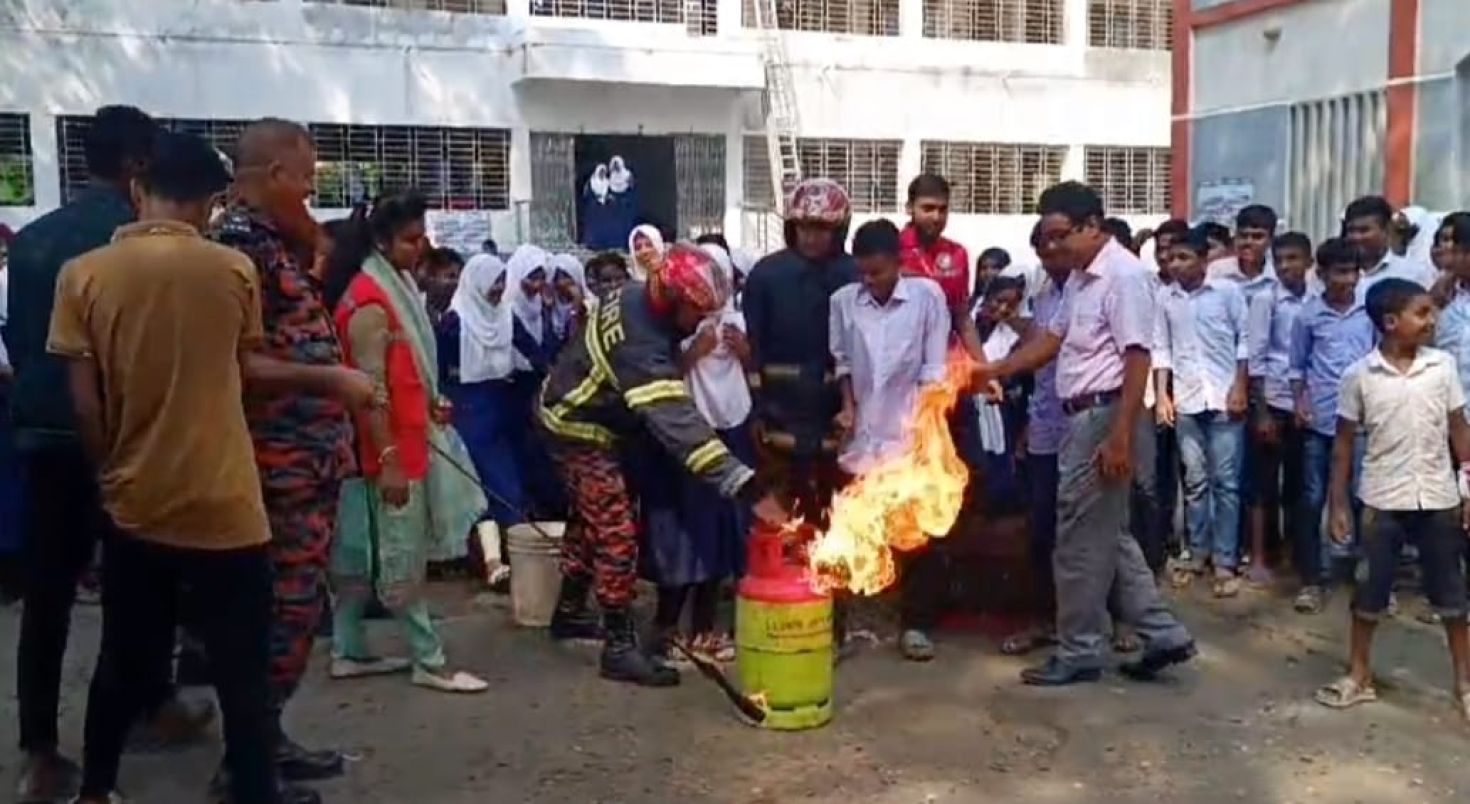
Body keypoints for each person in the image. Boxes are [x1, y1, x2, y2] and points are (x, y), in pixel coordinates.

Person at [6, 105, 214, 801]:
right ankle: (151, 704)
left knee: (49, 595)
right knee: (144, 586)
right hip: (124, 438)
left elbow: (22, 345)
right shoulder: (136, 245)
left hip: (42, 438)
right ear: (137, 167)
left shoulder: (33, 241)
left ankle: (39, 749)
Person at [975, 181, 1194, 686]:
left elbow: (1137, 356)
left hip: (1105, 414)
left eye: (1061, 236)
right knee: (1108, 536)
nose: (1053, 248)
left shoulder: (1124, 276)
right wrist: (994, 371)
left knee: (1075, 539)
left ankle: (1079, 649)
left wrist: (1119, 436)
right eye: (1046, 240)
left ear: (1092, 226)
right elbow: (1052, 341)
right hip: (1082, 416)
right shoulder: (1080, 279)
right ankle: (1163, 634)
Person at [539, 243, 786, 686]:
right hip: (577, 429)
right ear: (671, 301)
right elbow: (681, 427)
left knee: (587, 521)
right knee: (616, 531)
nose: (700, 324)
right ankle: (618, 649)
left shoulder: (637, 296)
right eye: (695, 313)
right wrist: (747, 488)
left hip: (588, 416)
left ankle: (570, 613)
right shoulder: (642, 343)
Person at [211, 118, 358, 784]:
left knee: (295, 612)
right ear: (273, 176)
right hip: (278, 464)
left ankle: (263, 743)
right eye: (304, 181)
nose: (309, 195)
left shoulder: (275, 245)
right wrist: (332, 380)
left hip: (307, 460)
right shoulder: (242, 248)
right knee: (282, 613)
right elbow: (237, 363)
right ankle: (245, 767)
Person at [328, 191, 489, 694]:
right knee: (401, 557)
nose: (420, 248)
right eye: (410, 239)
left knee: (358, 558)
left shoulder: (388, 286)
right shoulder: (370, 303)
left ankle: (347, 650)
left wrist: (430, 402)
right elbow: (369, 393)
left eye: (423, 237)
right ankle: (429, 659)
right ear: (381, 241)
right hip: (384, 452)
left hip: (392, 444)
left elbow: (401, 375)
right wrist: (391, 461)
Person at [1313, 278, 1470, 721]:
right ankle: (1359, 676)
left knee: (1452, 594)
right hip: (1382, 498)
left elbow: (1459, 430)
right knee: (1369, 590)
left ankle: (1464, 683)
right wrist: (1339, 503)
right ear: (1390, 322)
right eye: (1421, 313)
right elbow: (1343, 444)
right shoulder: (1359, 376)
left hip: (1437, 497)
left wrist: (1468, 487)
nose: (1431, 320)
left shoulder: (1442, 367)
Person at [827, 220, 950, 660]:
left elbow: (934, 373)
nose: (869, 281)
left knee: (915, 535)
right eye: (863, 272)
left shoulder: (927, 298)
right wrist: (847, 406)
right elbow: (842, 364)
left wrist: (924, 438)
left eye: (877, 272)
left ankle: (915, 625)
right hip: (860, 437)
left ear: (899, 263)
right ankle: (837, 629)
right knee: (846, 527)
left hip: (909, 431)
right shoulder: (842, 302)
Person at [646, 242, 756, 663]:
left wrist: (743, 351)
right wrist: (697, 350)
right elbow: (665, 374)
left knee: (726, 532)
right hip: (691, 437)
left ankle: (705, 630)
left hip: (733, 427)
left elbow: (751, 368)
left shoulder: (734, 320)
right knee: (689, 536)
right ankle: (669, 630)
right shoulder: (677, 325)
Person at [743, 179, 857, 525]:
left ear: (839, 229)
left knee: (840, 510)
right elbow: (753, 346)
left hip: (836, 412)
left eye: (822, 228)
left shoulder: (855, 274)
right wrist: (756, 411)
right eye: (805, 227)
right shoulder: (766, 274)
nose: (812, 237)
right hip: (780, 412)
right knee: (779, 514)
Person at [1154, 226, 1249, 597]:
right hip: (1189, 399)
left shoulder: (1227, 292)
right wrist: (1163, 396)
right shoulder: (1166, 298)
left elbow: (1244, 343)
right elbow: (1161, 348)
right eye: (1171, 258)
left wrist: (1240, 387)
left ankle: (1225, 560)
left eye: (1183, 257)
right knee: (1195, 481)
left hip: (1225, 398)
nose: (1175, 264)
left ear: (1203, 259)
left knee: (1226, 482)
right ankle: (1197, 552)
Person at [1289, 238, 1376, 614]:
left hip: (1361, 422)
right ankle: (1314, 579)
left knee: (1361, 496)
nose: (1347, 280)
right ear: (1321, 274)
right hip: (1319, 421)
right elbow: (1297, 366)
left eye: (1353, 272)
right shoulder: (1308, 316)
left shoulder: (1369, 312)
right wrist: (1301, 401)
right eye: (1339, 272)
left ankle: (1362, 573)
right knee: (1313, 498)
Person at [999, 224, 1069, 657]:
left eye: (1057, 245)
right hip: (1046, 428)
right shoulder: (1044, 300)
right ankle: (1045, 620)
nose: (1051, 256)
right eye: (1043, 250)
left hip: (1089, 425)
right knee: (1042, 530)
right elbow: (1039, 368)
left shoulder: (1099, 289)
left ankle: (1106, 621)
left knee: (1094, 535)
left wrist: (993, 371)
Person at [438, 253, 527, 557]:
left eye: (503, 280)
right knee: (477, 482)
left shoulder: (506, 316)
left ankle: (508, 552)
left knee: (507, 482)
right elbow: (438, 368)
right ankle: (485, 556)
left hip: (501, 404)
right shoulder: (455, 321)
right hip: (469, 409)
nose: (499, 288)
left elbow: (533, 350)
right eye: (494, 281)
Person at [1245, 232, 1313, 588]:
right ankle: (1259, 557)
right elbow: (1255, 359)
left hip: (1303, 404)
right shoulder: (1264, 299)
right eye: (1280, 260)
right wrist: (1261, 412)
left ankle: (1294, 555)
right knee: (1263, 486)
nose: (1286, 266)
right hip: (1272, 400)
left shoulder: (1316, 299)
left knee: (1300, 487)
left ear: (1308, 261)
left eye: (1293, 258)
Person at [1345, 195, 1437, 302]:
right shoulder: (1331, 274)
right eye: (1351, 231)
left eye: (1364, 230)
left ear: (1387, 229)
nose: (1356, 237)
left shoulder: (1412, 274)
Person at [549, 252, 591, 339]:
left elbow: (574, 338)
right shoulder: (548, 303)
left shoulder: (589, 306)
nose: (561, 283)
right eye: (556, 278)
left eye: (566, 277)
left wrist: (576, 306)